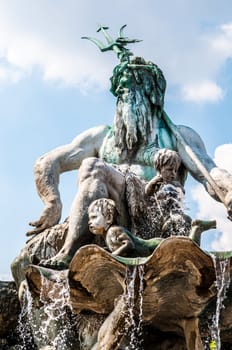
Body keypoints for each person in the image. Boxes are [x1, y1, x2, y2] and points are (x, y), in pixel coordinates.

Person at [27, 44, 232, 269]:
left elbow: (209, 172)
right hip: (113, 218)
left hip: (157, 219)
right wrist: (52, 202)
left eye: (130, 90)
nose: (123, 98)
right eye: (120, 93)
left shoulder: (177, 136)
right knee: (92, 166)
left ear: (151, 95)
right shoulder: (102, 137)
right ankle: (68, 253)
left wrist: (229, 191)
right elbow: (48, 161)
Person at [87, 198, 216, 257]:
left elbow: (129, 245)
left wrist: (112, 256)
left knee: (188, 253)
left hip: (155, 246)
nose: (89, 222)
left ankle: (197, 228)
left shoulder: (113, 231)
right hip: (152, 249)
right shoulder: (108, 236)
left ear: (109, 218)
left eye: (94, 217)